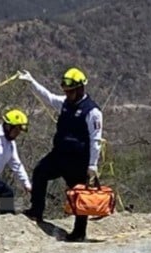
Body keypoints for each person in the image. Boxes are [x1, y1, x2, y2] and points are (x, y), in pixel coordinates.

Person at [18, 67, 104, 242]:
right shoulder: (65, 103)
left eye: (70, 91)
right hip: (59, 155)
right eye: (65, 91)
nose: (67, 94)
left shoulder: (93, 112)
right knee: (40, 172)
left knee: (79, 195)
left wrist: (92, 166)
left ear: (80, 89)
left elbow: (96, 140)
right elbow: (48, 97)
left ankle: (79, 232)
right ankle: (36, 211)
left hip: (78, 160)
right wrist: (31, 82)